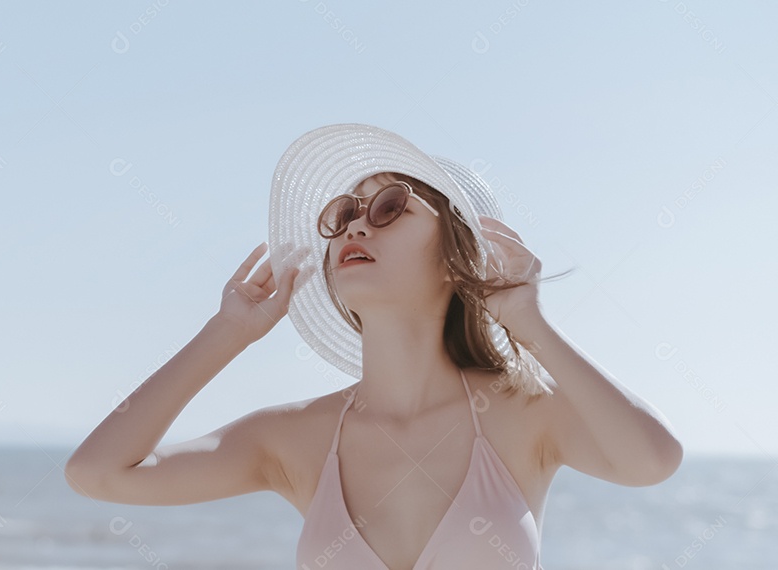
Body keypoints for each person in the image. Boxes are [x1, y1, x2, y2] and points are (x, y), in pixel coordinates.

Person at [64, 123, 683, 569]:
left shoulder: (524, 413)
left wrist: (529, 321)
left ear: (455, 256)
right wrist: (227, 334)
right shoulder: (293, 438)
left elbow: (652, 460)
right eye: (343, 214)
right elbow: (96, 474)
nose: (356, 224)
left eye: (390, 207)